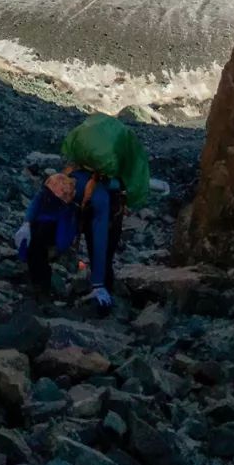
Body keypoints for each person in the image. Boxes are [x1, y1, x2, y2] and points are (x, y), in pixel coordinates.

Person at [15, 113, 151, 315]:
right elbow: (98, 239)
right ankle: (100, 295)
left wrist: (27, 224)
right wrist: (27, 224)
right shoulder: (70, 189)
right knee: (102, 253)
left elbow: (99, 234)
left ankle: (90, 294)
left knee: (98, 251)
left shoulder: (80, 190)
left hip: (100, 211)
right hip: (97, 213)